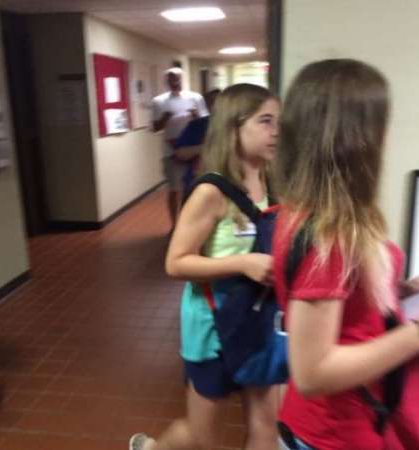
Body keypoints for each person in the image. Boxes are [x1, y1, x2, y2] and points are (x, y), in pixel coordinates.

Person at [272, 59, 419, 450]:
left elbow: (347, 309)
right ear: (357, 137)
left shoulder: (324, 216)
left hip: (352, 419)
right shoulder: (327, 236)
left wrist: (406, 290)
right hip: (335, 433)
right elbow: (313, 372)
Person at [130, 83, 281, 450]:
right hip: (212, 325)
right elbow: (176, 262)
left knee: (266, 427)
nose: (276, 131)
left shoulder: (273, 183)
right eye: (265, 121)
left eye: (279, 121)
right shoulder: (209, 191)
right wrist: (243, 262)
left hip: (258, 321)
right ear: (233, 128)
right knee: (202, 438)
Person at [152, 67, 208, 230]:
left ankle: (191, 222)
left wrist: (195, 115)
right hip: (171, 152)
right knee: (174, 189)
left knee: (194, 188)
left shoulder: (195, 97)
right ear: (166, 81)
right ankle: (175, 225)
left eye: (177, 79)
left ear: (182, 79)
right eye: (170, 79)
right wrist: (164, 118)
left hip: (195, 151)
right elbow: (156, 127)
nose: (174, 82)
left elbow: (205, 123)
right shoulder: (159, 101)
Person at [174, 88, 221, 196]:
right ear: (207, 105)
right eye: (212, 102)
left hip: (228, 185)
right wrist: (205, 147)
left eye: (220, 102)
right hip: (197, 183)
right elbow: (180, 153)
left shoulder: (235, 127)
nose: (217, 106)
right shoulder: (196, 126)